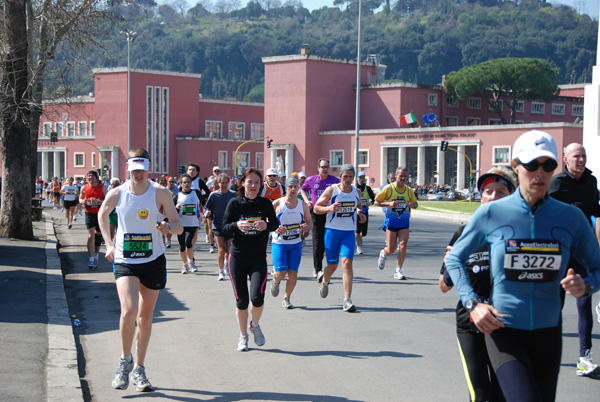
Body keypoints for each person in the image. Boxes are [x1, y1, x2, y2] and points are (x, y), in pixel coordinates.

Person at [445, 130, 600, 402]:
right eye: (531, 165)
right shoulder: (492, 212)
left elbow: (598, 268)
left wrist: (585, 285)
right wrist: (473, 303)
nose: (539, 172)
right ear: (516, 167)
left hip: (548, 333)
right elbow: (454, 260)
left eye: (547, 165)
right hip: (504, 331)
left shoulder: (570, 217)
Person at [99, 147, 182, 393]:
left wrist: (169, 228)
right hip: (125, 259)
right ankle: (125, 361)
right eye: (134, 170)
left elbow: (178, 224)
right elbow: (103, 214)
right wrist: (109, 243)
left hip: (153, 260)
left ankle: (140, 368)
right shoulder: (117, 193)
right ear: (128, 168)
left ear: (148, 168)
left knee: (144, 319)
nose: (138, 174)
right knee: (128, 312)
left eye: (142, 170)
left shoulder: (160, 193)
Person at [439, 167, 516, 402]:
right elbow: (443, 286)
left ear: (512, 197)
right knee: (480, 394)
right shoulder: (464, 233)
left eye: (500, 192)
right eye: (488, 191)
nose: (492, 197)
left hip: (506, 325)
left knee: (503, 393)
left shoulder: (519, 234)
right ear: (480, 197)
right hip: (470, 324)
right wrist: (452, 269)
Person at [548, 142, 600, 377]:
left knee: (584, 299)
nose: (581, 160)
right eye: (576, 156)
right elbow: (542, 209)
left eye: (584, 156)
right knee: (555, 303)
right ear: (565, 159)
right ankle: (548, 350)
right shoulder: (557, 183)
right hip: (557, 251)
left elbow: (595, 207)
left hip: (580, 249)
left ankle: (584, 357)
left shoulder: (591, 181)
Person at [222, 168, 278, 351]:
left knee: (257, 298)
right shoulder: (235, 203)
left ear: (261, 184)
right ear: (242, 183)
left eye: (256, 182)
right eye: (250, 182)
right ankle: (243, 335)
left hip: (258, 258)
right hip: (237, 257)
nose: (253, 186)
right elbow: (224, 227)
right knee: (242, 301)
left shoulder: (265, 203)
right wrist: (237, 225)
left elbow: (275, 223)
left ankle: (254, 325)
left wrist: (266, 225)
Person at [313, 164, 366, 312]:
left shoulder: (357, 191)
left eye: (350, 177)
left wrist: (360, 213)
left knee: (347, 263)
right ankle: (325, 280)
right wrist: (329, 208)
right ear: (340, 177)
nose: (348, 179)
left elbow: (358, 206)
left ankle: (347, 300)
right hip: (332, 232)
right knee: (332, 266)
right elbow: (317, 208)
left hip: (349, 232)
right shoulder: (332, 190)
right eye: (345, 176)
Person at [270, 177, 313, 309]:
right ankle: (276, 280)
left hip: (295, 244)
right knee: (281, 274)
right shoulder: (277, 204)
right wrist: (276, 227)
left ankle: (286, 298)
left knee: (293, 273)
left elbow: (310, 222)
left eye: (296, 187)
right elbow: (267, 221)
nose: (293, 189)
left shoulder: (302, 205)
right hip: (279, 244)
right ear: (286, 188)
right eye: (291, 186)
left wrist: (307, 227)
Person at [374, 167, 418, 279]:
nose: (403, 178)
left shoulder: (408, 190)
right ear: (396, 176)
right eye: (401, 176)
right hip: (391, 222)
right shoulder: (389, 188)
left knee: (403, 245)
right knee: (391, 249)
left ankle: (398, 270)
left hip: (404, 223)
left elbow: (415, 203)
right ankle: (383, 254)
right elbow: (376, 202)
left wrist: (413, 205)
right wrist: (389, 204)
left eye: (405, 176)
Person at [301, 158, 340, 278]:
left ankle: (324, 265)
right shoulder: (311, 180)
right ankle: (318, 270)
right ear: (318, 168)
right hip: (316, 214)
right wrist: (307, 200)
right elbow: (303, 189)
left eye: (327, 167)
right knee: (317, 243)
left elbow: (342, 188)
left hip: (330, 214)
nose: (325, 169)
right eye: (323, 167)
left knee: (326, 243)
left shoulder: (334, 181)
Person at [204, 173, 236, 281]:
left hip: (230, 225)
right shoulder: (213, 195)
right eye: (222, 182)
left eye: (226, 182)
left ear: (229, 183)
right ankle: (221, 271)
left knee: (229, 250)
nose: (224, 185)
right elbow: (207, 207)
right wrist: (207, 212)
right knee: (221, 250)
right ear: (218, 183)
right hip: (217, 225)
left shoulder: (233, 194)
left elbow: (238, 207)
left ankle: (228, 265)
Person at [174, 173, 204, 274]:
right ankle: (185, 264)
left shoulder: (196, 193)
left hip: (193, 223)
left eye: (188, 182)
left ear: (191, 183)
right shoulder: (177, 196)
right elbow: (170, 210)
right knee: (182, 246)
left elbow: (205, 203)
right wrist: (176, 208)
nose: (186, 184)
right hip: (181, 224)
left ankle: (191, 262)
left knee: (188, 242)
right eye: (184, 182)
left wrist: (204, 213)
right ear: (181, 184)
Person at [80, 170, 108, 270]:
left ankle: (96, 255)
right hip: (89, 213)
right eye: (88, 177)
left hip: (100, 214)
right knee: (90, 236)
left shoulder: (102, 188)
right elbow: (80, 198)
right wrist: (82, 201)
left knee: (98, 237)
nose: (90, 178)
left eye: (92, 176)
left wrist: (99, 201)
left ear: (96, 177)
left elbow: (108, 199)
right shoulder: (84, 187)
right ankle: (91, 259)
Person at [355, 172, 375, 255]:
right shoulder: (353, 188)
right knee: (357, 230)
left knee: (364, 233)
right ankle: (358, 247)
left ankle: (360, 237)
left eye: (363, 178)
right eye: (360, 178)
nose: (361, 179)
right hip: (356, 212)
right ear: (357, 178)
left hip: (365, 211)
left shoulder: (368, 189)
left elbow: (373, 199)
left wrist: (369, 203)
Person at [165, 176, 179, 248]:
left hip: (172, 210)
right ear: (167, 182)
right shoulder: (164, 189)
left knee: (169, 226)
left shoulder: (177, 190)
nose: (171, 183)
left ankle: (169, 240)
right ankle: (163, 242)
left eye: (173, 182)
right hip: (164, 211)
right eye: (170, 182)